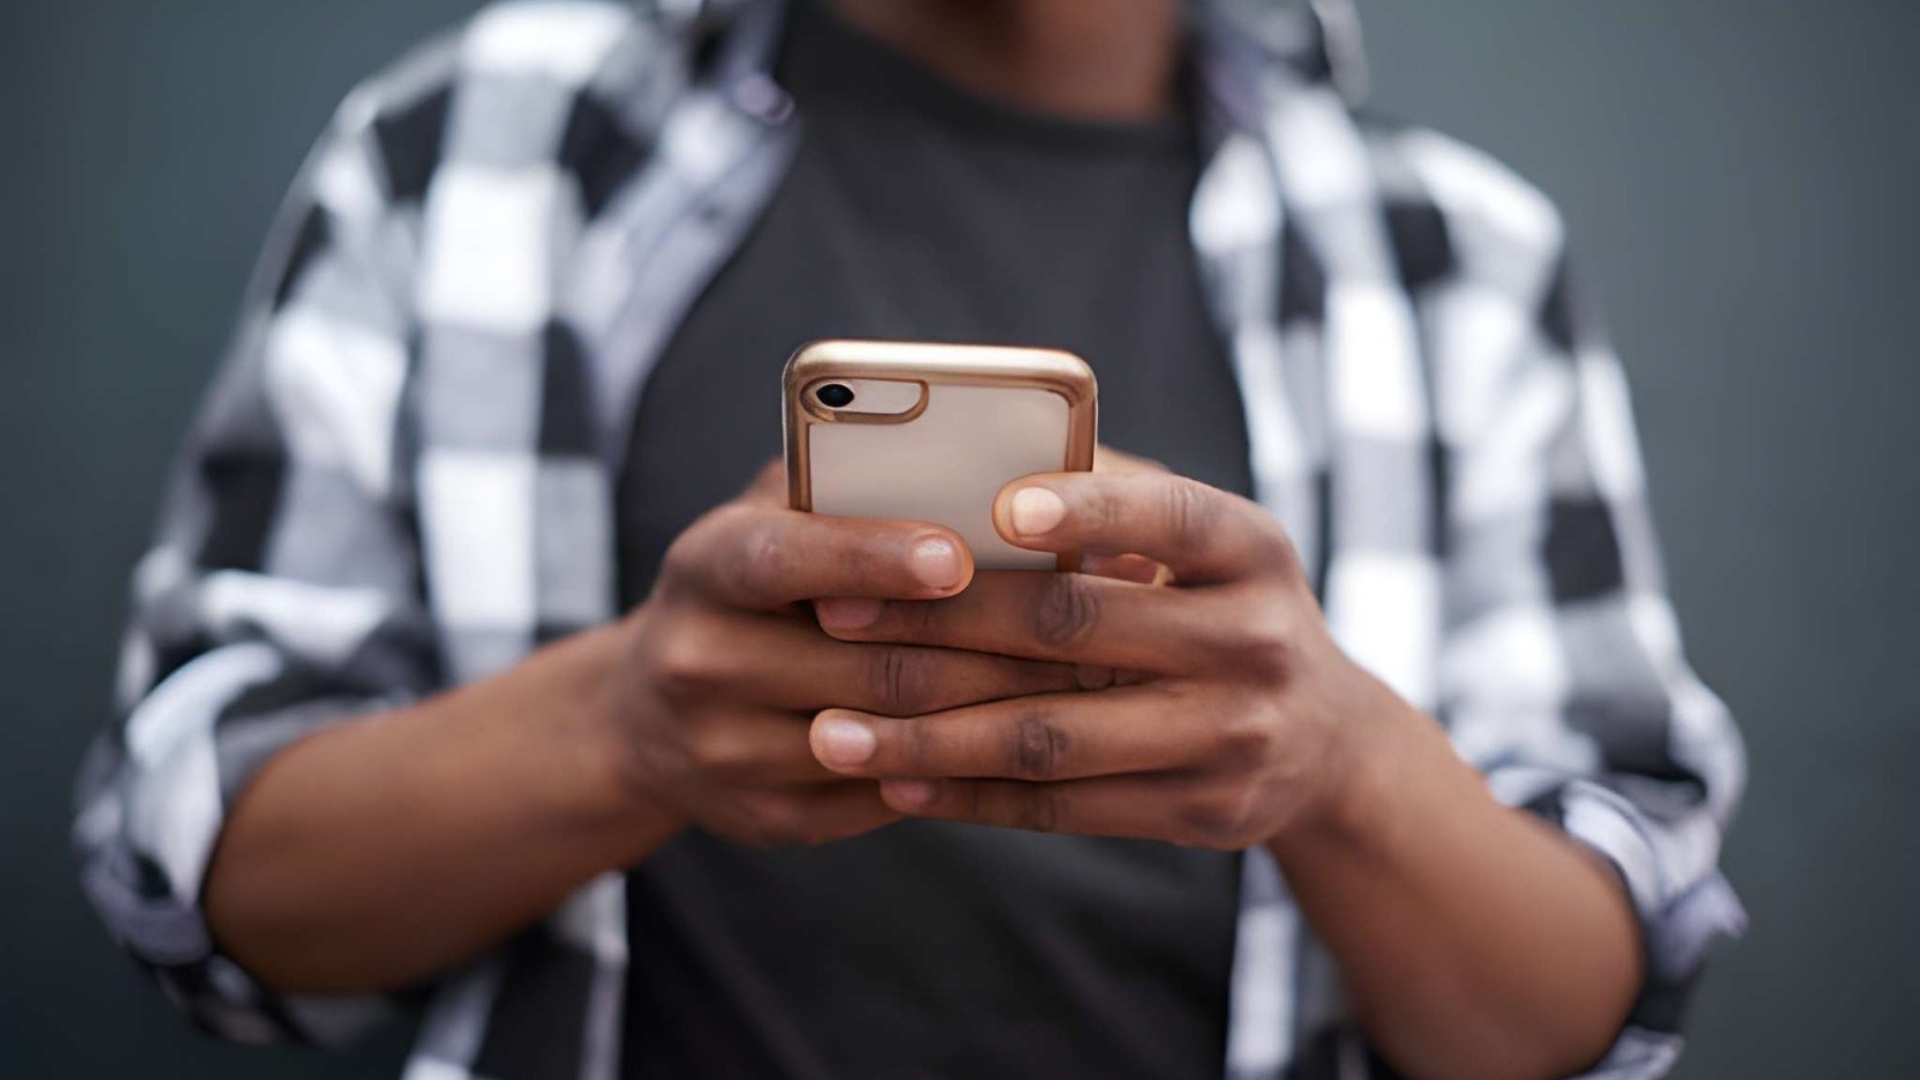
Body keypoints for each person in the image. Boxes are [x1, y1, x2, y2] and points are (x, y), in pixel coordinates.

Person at [72, 1, 1747, 1077]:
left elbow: (1589, 1007)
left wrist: (1346, 767)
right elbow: (196, 870)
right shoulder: (472, 151)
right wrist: (624, 727)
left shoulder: (1458, 262)